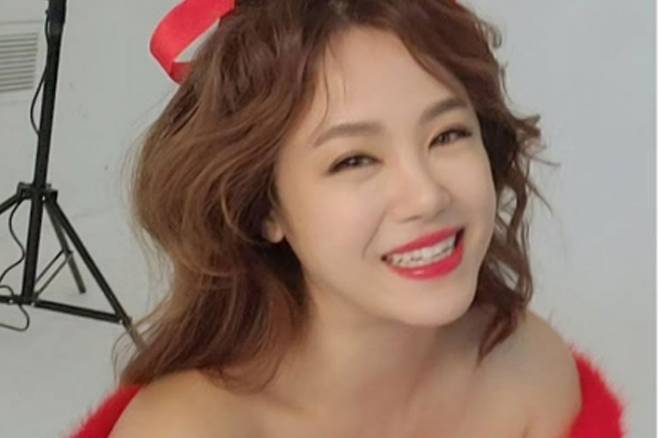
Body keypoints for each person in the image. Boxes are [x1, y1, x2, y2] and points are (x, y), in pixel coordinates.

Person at [67, 0, 626, 437]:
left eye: (448, 134)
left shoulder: (531, 372)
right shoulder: (187, 431)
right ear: (264, 209)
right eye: (354, 159)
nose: (426, 196)